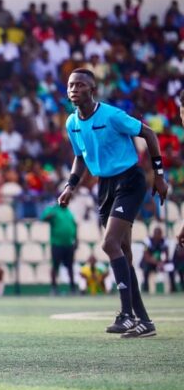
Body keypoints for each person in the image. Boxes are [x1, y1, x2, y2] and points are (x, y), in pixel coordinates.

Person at [59, 68, 169, 338]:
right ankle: (144, 322)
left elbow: (150, 134)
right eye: (71, 85)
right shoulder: (72, 123)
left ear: (92, 89)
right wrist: (69, 187)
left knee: (109, 244)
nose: (74, 89)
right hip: (105, 186)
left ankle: (126, 314)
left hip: (130, 181)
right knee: (124, 253)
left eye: (80, 85)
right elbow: (80, 157)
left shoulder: (111, 115)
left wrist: (159, 175)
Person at [41, 203, 77, 294]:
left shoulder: (69, 212)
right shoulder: (53, 209)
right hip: (57, 244)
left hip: (69, 244)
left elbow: (74, 225)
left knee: (70, 267)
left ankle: (72, 288)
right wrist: (51, 214)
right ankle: (54, 287)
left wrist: (76, 239)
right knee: (55, 266)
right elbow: (43, 218)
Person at [140, 227, 169, 294]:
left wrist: (162, 262)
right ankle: (146, 290)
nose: (158, 236)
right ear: (153, 234)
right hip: (149, 263)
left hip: (160, 263)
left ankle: (173, 289)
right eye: (156, 234)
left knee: (171, 268)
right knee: (146, 270)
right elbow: (146, 257)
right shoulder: (147, 241)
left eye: (159, 234)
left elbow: (167, 255)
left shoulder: (164, 241)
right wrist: (158, 263)